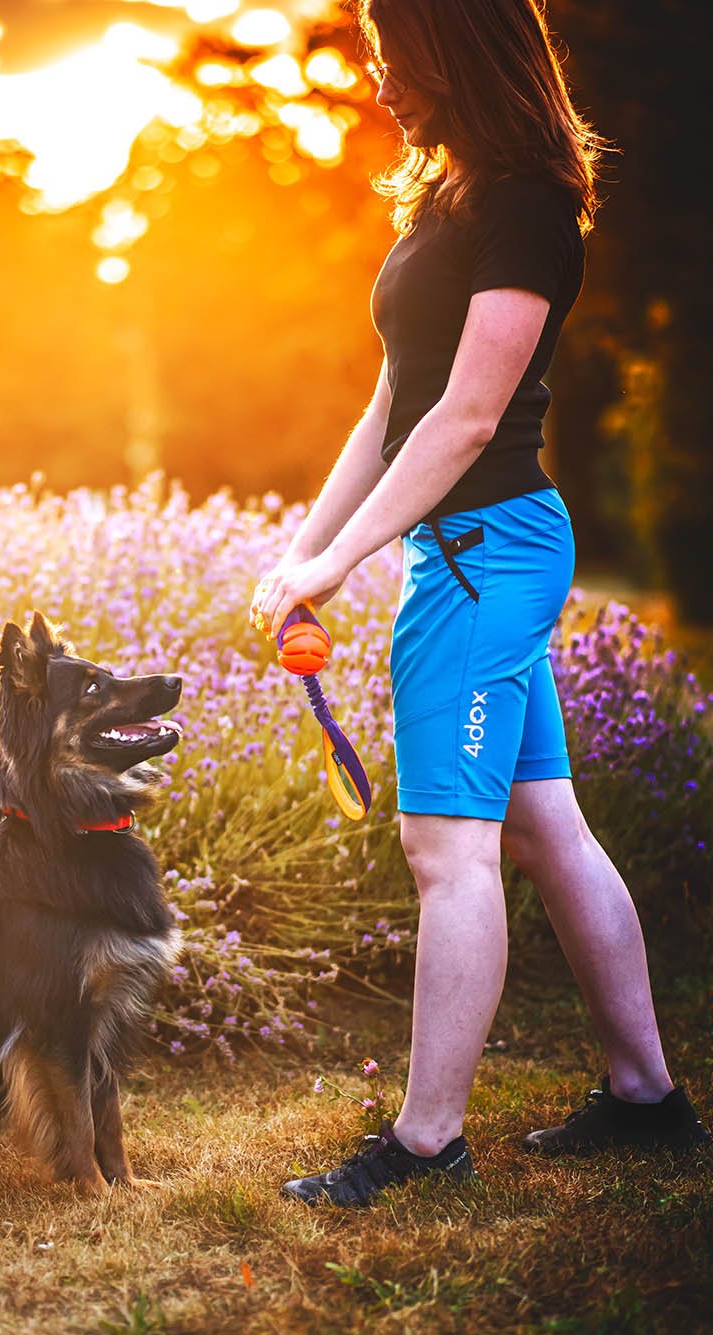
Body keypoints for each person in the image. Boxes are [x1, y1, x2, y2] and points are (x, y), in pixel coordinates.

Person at [250, 0, 710, 1208]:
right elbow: (393, 399)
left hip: (484, 552)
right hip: (464, 551)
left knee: (445, 851)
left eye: (394, 59)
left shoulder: (525, 204)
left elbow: (464, 418)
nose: (381, 82)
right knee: (547, 823)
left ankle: (423, 1143)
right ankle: (647, 1099)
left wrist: (344, 562)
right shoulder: (448, 198)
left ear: (452, 52)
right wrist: (307, 549)